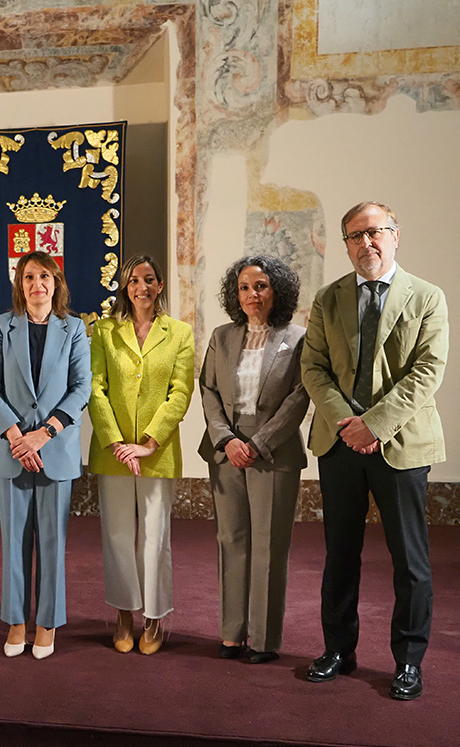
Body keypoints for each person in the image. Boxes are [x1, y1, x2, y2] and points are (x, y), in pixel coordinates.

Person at [301, 202, 447, 700]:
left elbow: (427, 372)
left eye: (376, 232)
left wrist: (375, 425)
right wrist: (349, 424)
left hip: (401, 445)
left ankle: (408, 659)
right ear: (345, 244)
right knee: (341, 555)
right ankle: (339, 650)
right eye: (356, 235)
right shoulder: (328, 299)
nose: (367, 242)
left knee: (410, 559)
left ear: (396, 235)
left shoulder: (427, 296)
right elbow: (313, 368)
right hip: (340, 443)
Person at [198, 255, 309, 664]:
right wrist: (226, 439)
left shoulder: (297, 338)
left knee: (268, 545)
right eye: (244, 287)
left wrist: (259, 442)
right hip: (226, 452)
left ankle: (263, 640)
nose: (252, 295)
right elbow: (207, 388)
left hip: (273, 453)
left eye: (260, 286)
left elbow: (300, 395)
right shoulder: (222, 336)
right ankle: (232, 633)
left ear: (276, 291)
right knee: (232, 541)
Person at [0, 250, 90, 660]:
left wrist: (43, 434)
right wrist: (15, 435)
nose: (36, 284)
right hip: (12, 450)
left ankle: (46, 624)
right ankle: (16, 621)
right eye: (29, 277)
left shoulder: (74, 329)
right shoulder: (1, 327)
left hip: (54, 449)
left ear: (56, 283)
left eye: (44, 276)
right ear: (20, 284)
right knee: (13, 542)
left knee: (52, 542)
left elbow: (81, 388)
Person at [87, 253, 193, 656]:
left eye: (149, 279)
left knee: (154, 537)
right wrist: (116, 442)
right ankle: (124, 614)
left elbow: (180, 393)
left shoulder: (179, 333)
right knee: (116, 536)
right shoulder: (104, 332)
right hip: (113, 452)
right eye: (133, 280)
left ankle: (154, 617)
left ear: (160, 285)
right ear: (124, 287)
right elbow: (96, 389)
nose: (141, 287)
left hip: (156, 452)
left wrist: (148, 442)